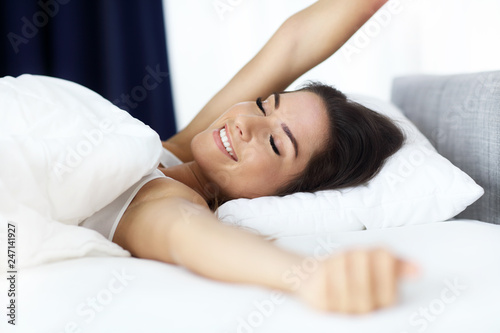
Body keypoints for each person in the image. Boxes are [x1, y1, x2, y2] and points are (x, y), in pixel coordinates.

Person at [80, 0, 417, 314]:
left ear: (283, 194)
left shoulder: (161, 198)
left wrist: (309, 275)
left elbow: (186, 236)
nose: (244, 123)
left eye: (274, 143)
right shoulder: (176, 151)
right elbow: (294, 43)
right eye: (262, 105)